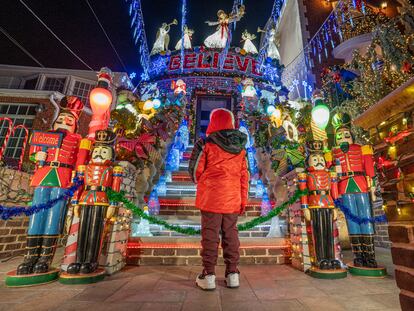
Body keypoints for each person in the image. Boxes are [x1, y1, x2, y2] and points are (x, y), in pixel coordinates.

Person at [189, 108, 249, 290]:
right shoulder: (241, 147)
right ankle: (232, 274)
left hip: (211, 196)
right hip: (232, 196)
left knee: (210, 234)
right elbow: (245, 176)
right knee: (231, 233)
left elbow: (194, 171)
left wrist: (205, 182)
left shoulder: (205, 143)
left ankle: (208, 275)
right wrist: (242, 200)